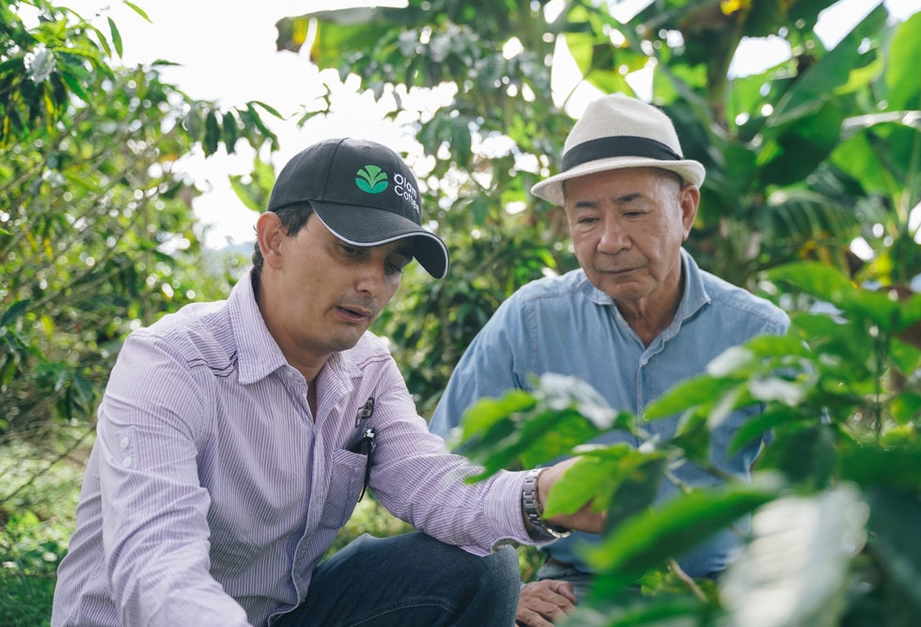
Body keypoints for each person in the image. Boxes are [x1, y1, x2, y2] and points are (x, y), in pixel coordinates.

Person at [51, 137, 604, 627]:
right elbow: (158, 570)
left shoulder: (367, 369)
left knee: (482, 568)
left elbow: (429, 481)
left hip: (280, 614)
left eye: (393, 264)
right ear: (273, 240)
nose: (371, 283)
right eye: (350, 250)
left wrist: (544, 495)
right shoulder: (171, 364)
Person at [429, 94, 790, 626]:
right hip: (573, 600)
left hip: (719, 600)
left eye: (633, 211)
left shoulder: (760, 333)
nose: (610, 241)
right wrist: (502, 591)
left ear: (685, 210)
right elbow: (441, 472)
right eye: (587, 218)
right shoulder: (530, 320)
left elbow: (813, 492)